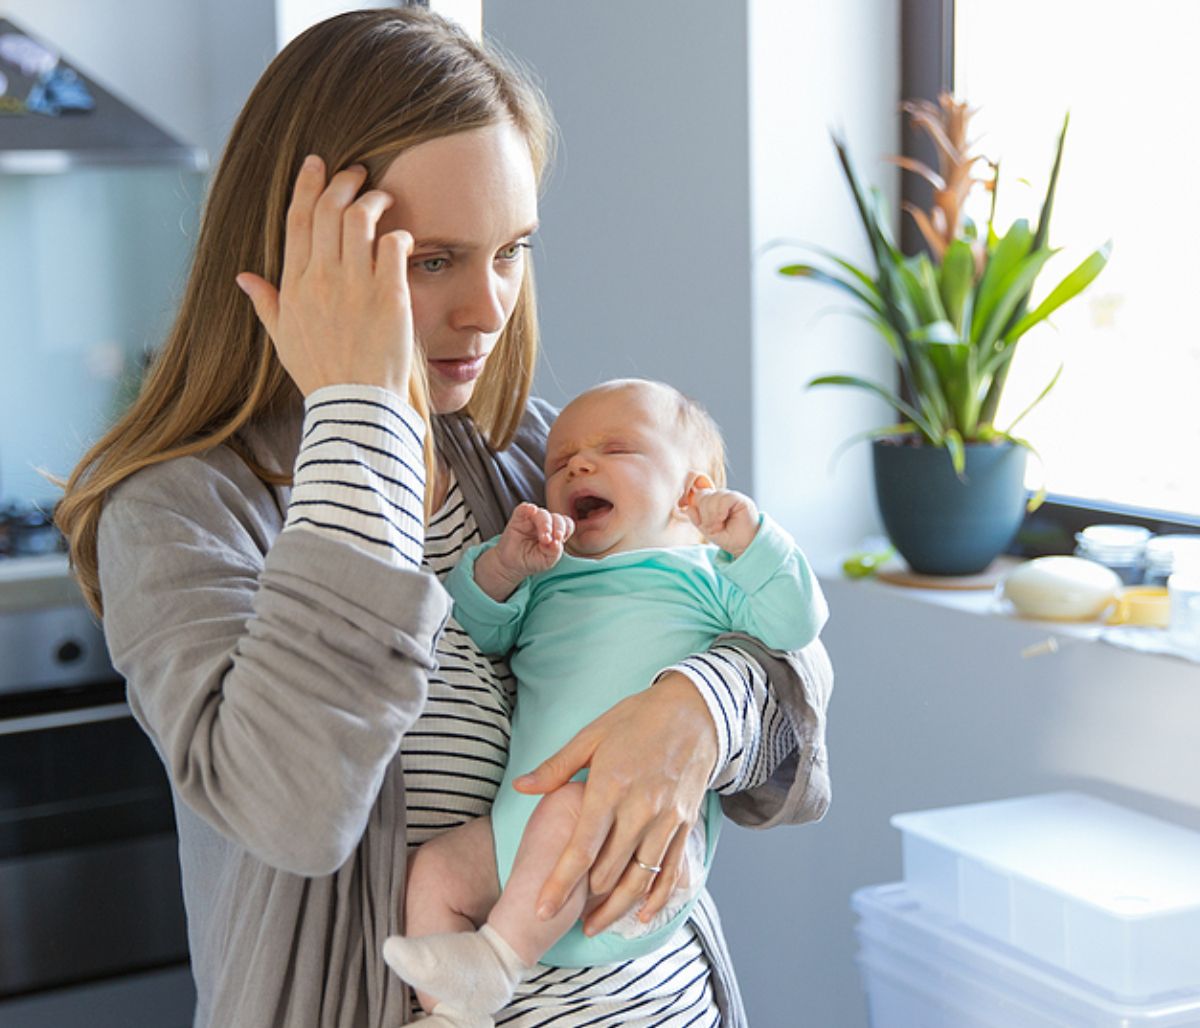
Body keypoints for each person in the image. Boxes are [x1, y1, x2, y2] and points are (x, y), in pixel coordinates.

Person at [53, 9, 834, 1027]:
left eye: (511, 249)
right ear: (302, 259)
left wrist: (696, 707)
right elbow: (293, 808)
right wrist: (360, 418)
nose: (489, 307)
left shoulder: (536, 462)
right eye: (432, 260)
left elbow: (794, 709)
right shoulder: (181, 513)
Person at [382, 378, 829, 1026]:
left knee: (572, 807)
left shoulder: (707, 576)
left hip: (621, 842)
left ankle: (496, 963)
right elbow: (471, 629)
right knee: (436, 875)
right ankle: (451, 1011)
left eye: (615, 449)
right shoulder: (548, 576)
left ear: (693, 491)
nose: (578, 466)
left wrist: (754, 540)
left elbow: (795, 629)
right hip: (516, 832)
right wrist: (504, 568)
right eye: (560, 463)